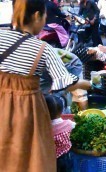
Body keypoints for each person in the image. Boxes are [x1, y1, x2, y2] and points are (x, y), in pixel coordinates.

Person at [0, 0, 91, 171]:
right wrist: (90, 83)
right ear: (37, 16)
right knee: (29, 158)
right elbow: (67, 83)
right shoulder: (43, 49)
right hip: (26, 113)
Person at [45, 95, 75, 172]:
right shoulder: (68, 124)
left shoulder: (44, 128)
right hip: (66, 157)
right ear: (62, 110)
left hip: (51, 159)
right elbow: (75, 126)